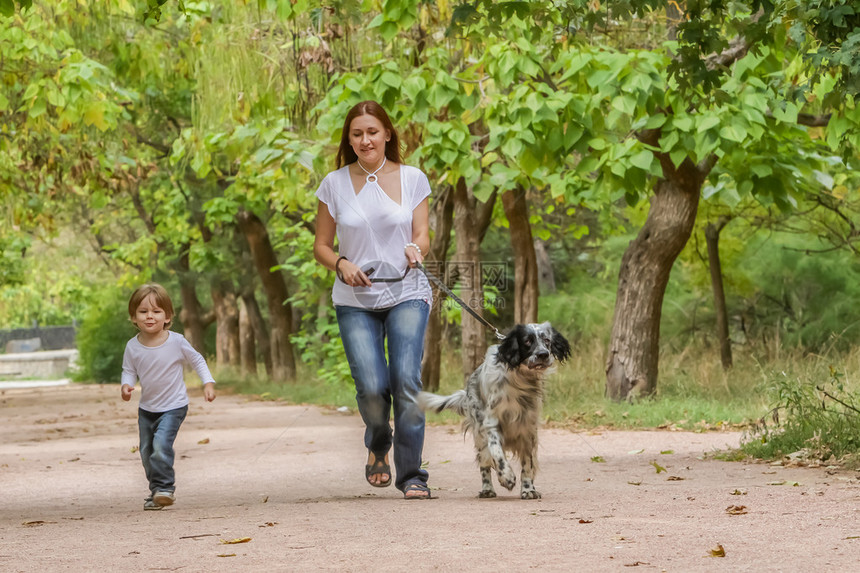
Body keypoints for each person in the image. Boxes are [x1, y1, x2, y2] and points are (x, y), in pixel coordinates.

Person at [313, 100, 433, 500]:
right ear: (349, 139)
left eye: (372, 132)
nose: (366, 140)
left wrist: (417, 249)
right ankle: (378, 441)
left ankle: (412, 474)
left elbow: (422, 233)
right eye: (357, 134)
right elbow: (321, 246)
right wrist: (341, 263)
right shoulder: (333, 184)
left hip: (407, 291)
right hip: (355, 298)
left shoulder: (413, 177)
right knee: (371, 385)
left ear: (387, 134)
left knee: (406, 380)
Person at [120, 283, 216, 510]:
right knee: (146, 451)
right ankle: (157, 492)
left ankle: (165, 488)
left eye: (156, 311)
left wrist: (208, 383)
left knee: (161, 445)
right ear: (134, 317)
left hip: (174, 406)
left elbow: (198, 361)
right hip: (147, 408)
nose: (150, 317)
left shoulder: (176, 341)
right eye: (143, 312)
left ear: (168, 316)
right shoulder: (132, 346)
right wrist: (126, 385)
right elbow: (129, 370)